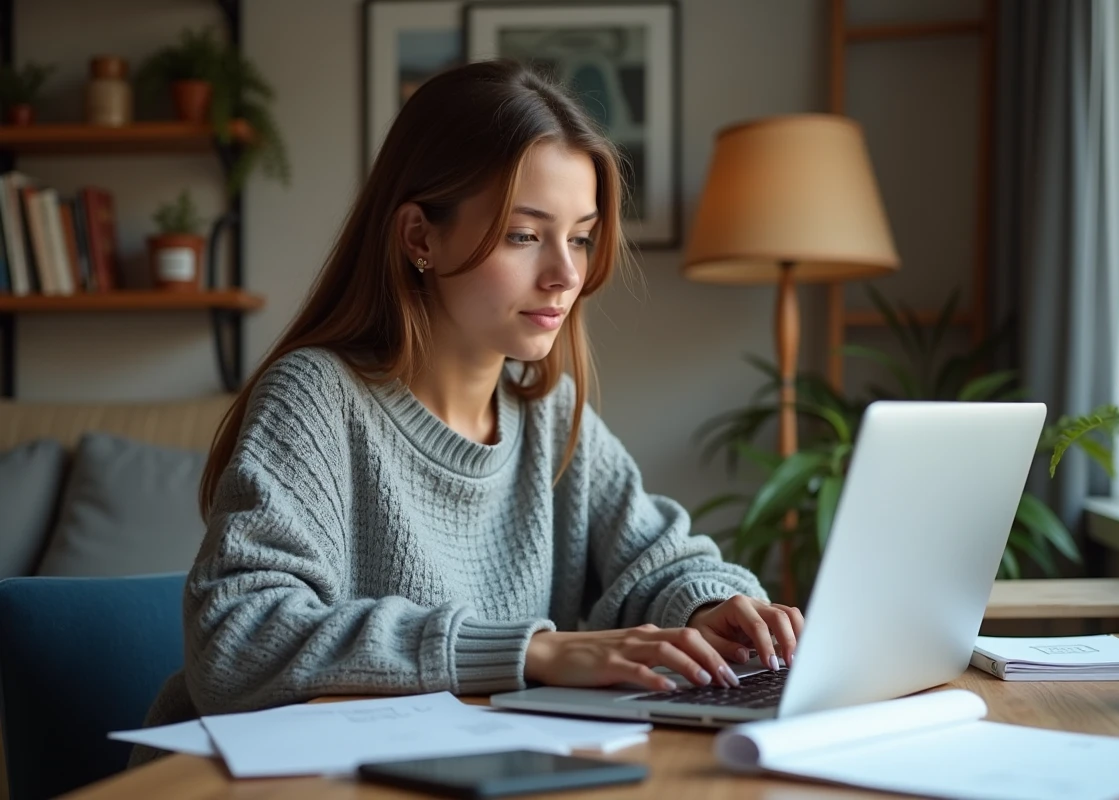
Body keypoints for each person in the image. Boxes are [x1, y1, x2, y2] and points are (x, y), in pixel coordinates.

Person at [131, 59, 802, 764]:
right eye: (524, 234)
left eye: (579, 235)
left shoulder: (546, 412)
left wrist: (710, 608)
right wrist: (531, 651)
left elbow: (660, 559)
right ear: (420, 237)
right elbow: (239, 641)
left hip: (454, 770)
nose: (566, 274)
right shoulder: (317, 397)